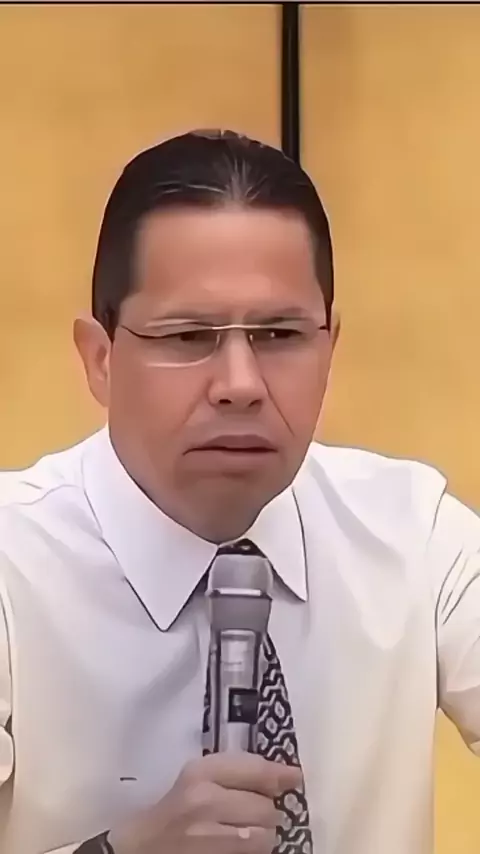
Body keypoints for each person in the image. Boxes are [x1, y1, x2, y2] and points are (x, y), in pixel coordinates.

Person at [0, 129, 479, 854]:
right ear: (100, 359)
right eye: (189, 337)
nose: (240, 385)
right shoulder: (13, 567)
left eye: (280, 335)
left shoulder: (415, 536)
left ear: (330, 348)